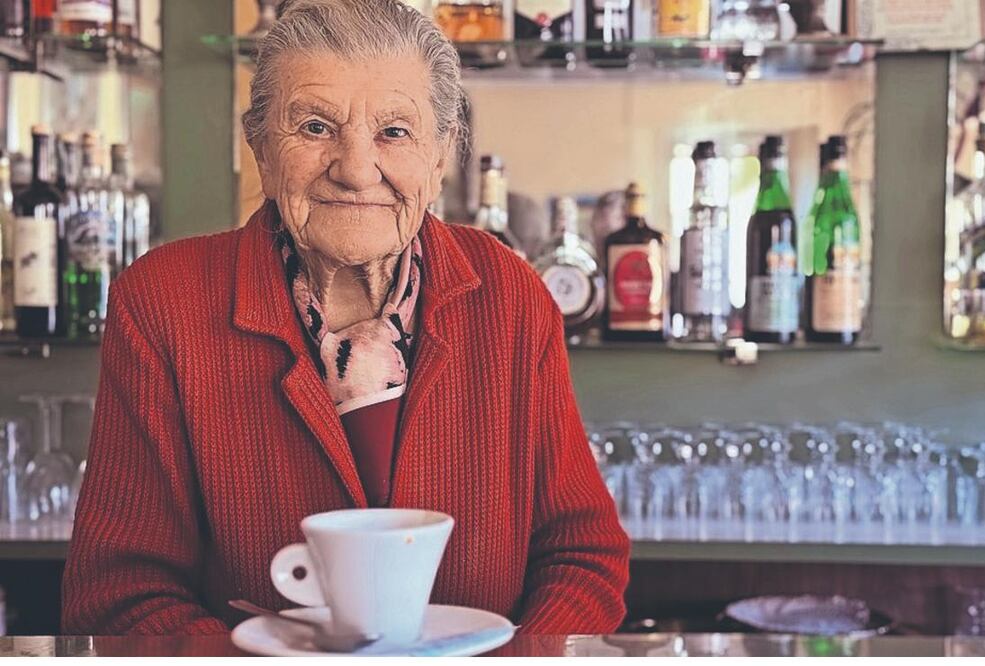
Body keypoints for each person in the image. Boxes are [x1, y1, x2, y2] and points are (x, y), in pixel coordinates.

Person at [62, 0, 629, 635]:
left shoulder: (510, 296)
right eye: (313, 127)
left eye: (395, 131)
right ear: (261, 150)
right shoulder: (164, 303)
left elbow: (582, 559)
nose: (357, 170)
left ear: (442, 157)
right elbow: (122, 593)